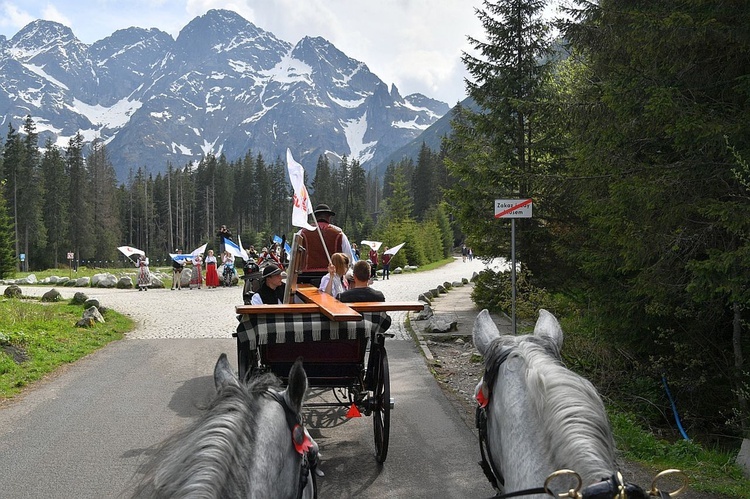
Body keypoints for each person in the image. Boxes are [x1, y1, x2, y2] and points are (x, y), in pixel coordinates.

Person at [298, 203, 353, 273]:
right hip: (332, 274)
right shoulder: (339, 234)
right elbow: (348, 257)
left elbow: (294, 256)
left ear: (315, 217)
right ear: (329, 217)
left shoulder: (302, 233)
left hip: (307, 275)